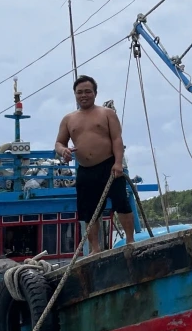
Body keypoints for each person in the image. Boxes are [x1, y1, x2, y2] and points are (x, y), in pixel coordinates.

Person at [55, 75, 136, 253]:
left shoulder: (107, 114)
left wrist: (118, 163)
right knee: (89, 212)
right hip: (85, 170)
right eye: (79, 92)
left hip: (109, 166)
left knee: (121, 203)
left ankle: (130, 241)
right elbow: (59, 143)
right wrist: (63, 151)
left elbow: (117, 139)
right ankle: (95, 248)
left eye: (87, 91)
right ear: (75, 95)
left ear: (95, 93)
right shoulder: (68, 119)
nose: (84, 95)